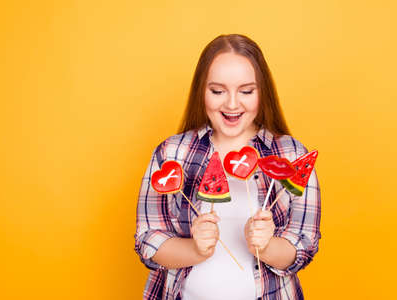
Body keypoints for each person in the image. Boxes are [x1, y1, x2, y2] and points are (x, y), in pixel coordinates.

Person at [134, 34, 321, 300]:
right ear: (202, 91)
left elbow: (303, 245)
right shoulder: (172, 153)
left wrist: (266, 246)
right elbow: (148, 239)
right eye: (218, 91)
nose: (232, 104)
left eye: (246, 91)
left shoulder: (291, 155)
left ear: (262, 92)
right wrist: (196, 249)